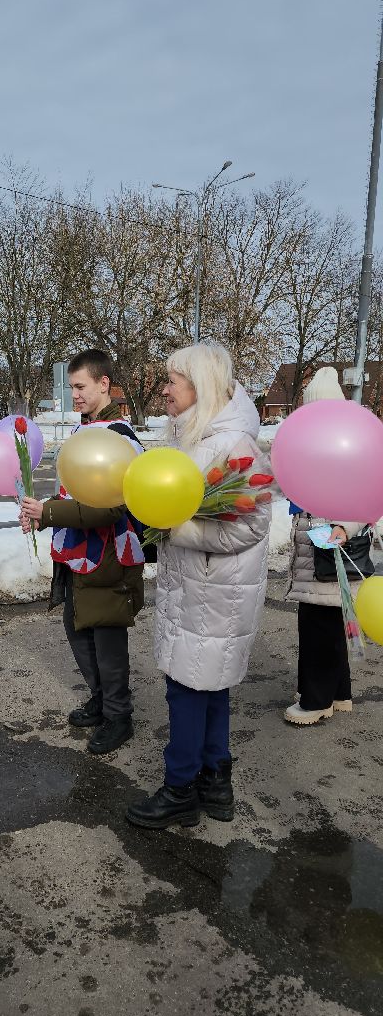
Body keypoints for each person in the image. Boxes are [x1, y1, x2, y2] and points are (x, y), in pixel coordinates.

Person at [126, 343, 271, 829]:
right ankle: (216, 782)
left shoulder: (235, 445)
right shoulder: (192, 435)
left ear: (201, 386)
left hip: (214, 593)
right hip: (200, 587)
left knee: (188, 690)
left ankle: (180, 788)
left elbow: (249, 526)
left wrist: (175, 529)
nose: (164, 389)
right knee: (209, 689)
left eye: (172, 380)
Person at [20, 349, 145, 756]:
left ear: (103, 384)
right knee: (78, 630)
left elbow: (114, 505)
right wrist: (43, 514)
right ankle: (101, 698)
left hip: (109, 553)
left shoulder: (119, 437)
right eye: (71, 387)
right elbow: (75, 490)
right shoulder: (85, 431)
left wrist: (51, 512)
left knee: (106, 637)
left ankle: (119, 715)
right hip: (77, 550)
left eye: (81, 387)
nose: (74, 395)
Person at [284, 366, 373, 726]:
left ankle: (316, 701)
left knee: (321, 630)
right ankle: (338, 692)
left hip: (331, 553)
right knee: (328, 627)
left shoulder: (346, 448)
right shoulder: (325, 446)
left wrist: (343, 527)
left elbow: (369, 497)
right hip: (320, 553)